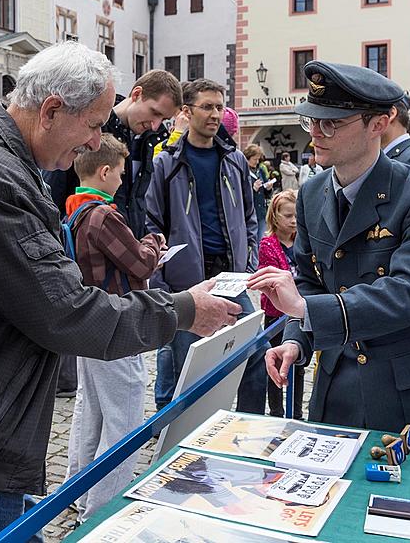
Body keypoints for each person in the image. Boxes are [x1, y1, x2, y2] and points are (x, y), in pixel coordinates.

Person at [0, 41, 240, 543]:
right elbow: (66, 311)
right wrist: (185, 309)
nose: (94, 142)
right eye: (93, 124)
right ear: (52, 111)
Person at [251, 60, 410, 443]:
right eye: (311, 122)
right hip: (340, 388)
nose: (316, 135)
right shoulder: (311, 193)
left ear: (378, 123)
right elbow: (310, 279)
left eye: (331, 124)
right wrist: (296, 338)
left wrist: (304, 311)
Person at [47, 69, 182, 397]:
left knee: (95, 396)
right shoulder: (94, 132)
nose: (155, 124)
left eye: (163, 119)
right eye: (154, 113)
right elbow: (56, 192)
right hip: (99, 271)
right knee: (116, 390)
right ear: (136, 95)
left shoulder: (148, 139)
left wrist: (140, 240)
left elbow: (138, 198)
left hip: (123, 254)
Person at [63, 133, 166, 522]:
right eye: (120, 174)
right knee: (124, 420)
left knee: (90, 413)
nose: (123, 181)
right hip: (117, 325)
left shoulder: (73, 210)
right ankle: (104, 508)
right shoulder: (103, 215)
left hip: (90, 324)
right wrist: (155, 242)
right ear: (104, 172)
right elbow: (141, 264)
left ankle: (76, 489)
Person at [145, 78, 260, 412]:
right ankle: (178, 433)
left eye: (219, 107)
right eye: (207, 106)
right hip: (188, 280)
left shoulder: (234, 159)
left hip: (231, 275)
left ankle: (251, 424)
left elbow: (251, 214)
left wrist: (248, 256)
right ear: (186, 111)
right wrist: (161, 278)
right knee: (186, 366)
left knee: (253, 352)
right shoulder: (166, 162)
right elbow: (153, 222)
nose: (215, 114)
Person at [257, 190, 304, 419]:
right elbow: (274, 279)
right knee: (276, 361)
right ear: (275, 216)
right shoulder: (268, 245)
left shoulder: (302, 242)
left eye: (296, 215)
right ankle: (276, 411)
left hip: (298, 312)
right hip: (276, 314)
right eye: (288, 216)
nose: (293, 220)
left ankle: (295, 411)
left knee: (299, 362)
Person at [244, 144, 271, 240]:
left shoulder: (260, 171)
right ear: (248, 158)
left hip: (261, 211)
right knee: (252, 239)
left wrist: (268, 188)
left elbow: (266, 193)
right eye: (255, 159)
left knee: (261, 239)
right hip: (250, 212)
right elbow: (241, 195)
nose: (257, 161)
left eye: (258, 159)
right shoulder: (243, 172)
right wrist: (253, 189)